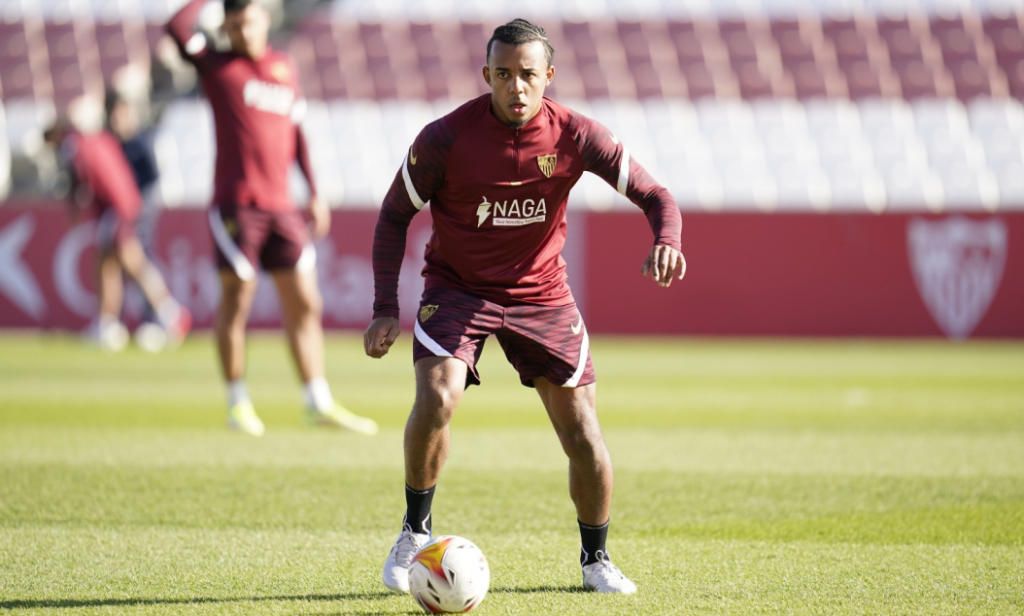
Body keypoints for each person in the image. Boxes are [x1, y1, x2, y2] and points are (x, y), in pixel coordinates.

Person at [364, 19, 685, 595]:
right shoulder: (445, 138)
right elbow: (393, 215)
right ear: (487, 74)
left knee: (582, 430)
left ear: (549, 76)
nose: (516, 86)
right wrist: (385, 305)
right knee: (437, 396)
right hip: (458, 289)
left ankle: (596, 560)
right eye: (504, 74)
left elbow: (656, 194)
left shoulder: (576, 134)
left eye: (528, 75)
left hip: (542, 295)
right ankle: (414, 532)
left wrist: (667, 239)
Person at [166, 0, 377, 437]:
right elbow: (177, 27)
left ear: (264, 19)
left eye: (249, 21)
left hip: (282, 206)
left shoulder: (284, 68)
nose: (243, 31)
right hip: (238, 205)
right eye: (234, 24)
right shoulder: (217, 66)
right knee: (237, 298)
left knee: (305, 301)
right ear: (226, 26)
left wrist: (314, 192)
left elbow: (297, 134)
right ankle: (237, 402)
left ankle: (317, 401)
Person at [46, 108, 191, 352]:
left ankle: (168, 313)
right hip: (125, 204)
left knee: (130, 262)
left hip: (117, 207)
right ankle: (110, 324)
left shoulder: (74, 145)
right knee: (110, 263)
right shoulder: (98, 138)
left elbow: (79, 182)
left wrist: (74, 210)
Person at [106, 90, 167, 350]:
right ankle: (114, 321)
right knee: (116, 262)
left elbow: (152, 179)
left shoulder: (140, 142)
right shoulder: (112, 143)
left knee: (141, 259)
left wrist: (136, 206)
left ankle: (157, 319)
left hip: (140, 209)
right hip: (120, 210)